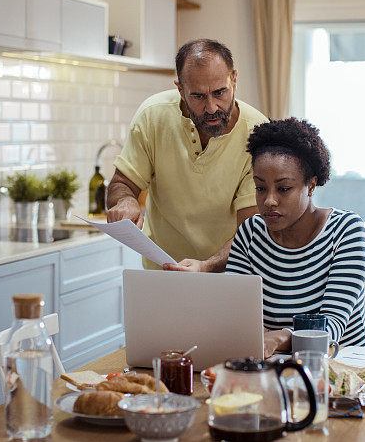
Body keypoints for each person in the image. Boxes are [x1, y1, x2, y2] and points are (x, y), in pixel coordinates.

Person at [107, 39, 267, 271]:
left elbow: (250, 230)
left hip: (229, 274)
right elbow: (121, 183)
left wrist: (205, 266)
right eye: (198, 96)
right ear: (180, 90)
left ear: (234, 79)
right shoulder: (153, 116)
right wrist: (125, 201)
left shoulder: (258, 133)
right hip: (162, 270)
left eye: (219, 92)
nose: (211, 107)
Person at [225, 118, 365, 357]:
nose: (269, 200)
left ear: (311, 185)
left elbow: (331, 326)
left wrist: (279, 336)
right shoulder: (250, 233)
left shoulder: (346, 230)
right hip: (278, 368)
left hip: (344, 367)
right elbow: (236, 315)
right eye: (260, 188)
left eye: (283, 189)